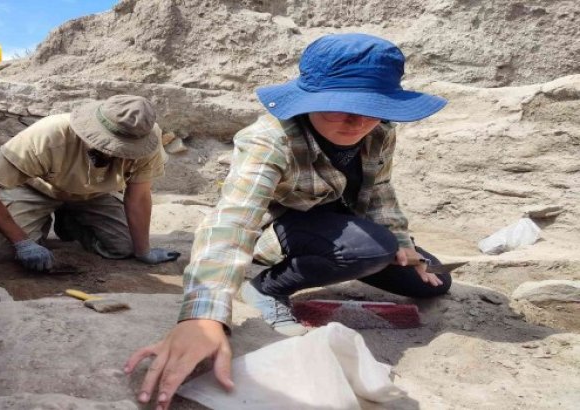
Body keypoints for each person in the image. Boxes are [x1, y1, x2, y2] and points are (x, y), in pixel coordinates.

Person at [125, 33, 452, 409]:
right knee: (370, 248)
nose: (357, 121)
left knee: (433, 280)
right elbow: (233, 219)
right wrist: (202, 317)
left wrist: (404, 243)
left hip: (344, 226)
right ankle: (266, 288)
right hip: (283, 228)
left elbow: (379, 190)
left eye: (371, 107)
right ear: (310, 100)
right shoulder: (269, 139)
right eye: (339, 107)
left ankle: (362, 253)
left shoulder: (379, 132)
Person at [0, 95, 180, 271]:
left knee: (125, 248)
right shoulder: (47, 135)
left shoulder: (145, 139)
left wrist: (143, 251)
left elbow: (139, 195)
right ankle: (37, 223)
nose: (117, 154)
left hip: (94, 195)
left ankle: (70, 222)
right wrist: (23, 242)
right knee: (2, 251)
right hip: (37, 190)